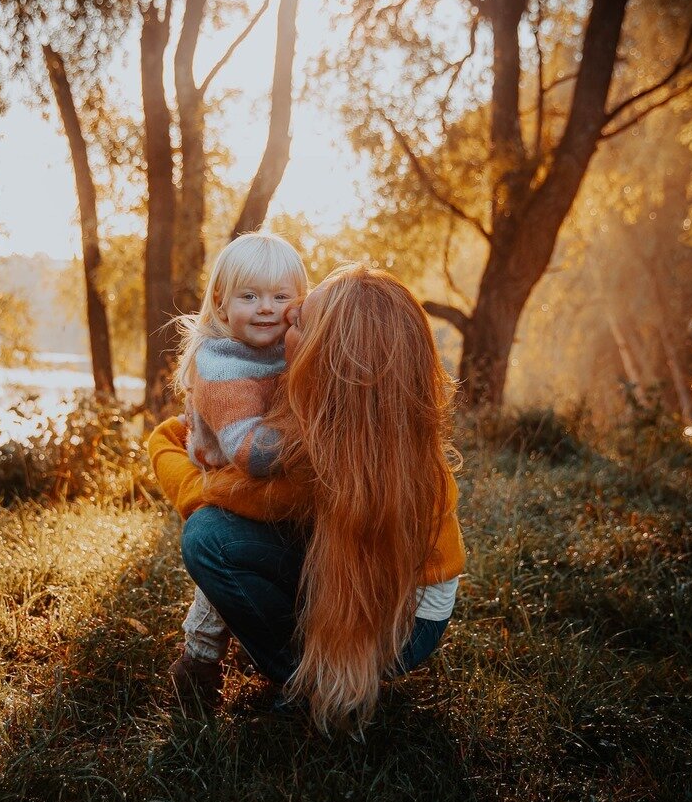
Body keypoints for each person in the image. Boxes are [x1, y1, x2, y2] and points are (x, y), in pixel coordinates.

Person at [149, 264, 465, 731]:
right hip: (419, 611)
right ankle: (328, 666)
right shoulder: (381, 415)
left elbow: (219, 496)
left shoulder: (309, 456)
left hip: (404, 631)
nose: (282, 318)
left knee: (210, 537)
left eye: (297, 321)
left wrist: (161, 443)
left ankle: (308, 680)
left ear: (327, 355)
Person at [167, 232, 308, 695]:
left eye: (280, 296)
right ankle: (199, 661)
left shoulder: (286, 345)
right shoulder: (222, 364)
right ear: (223, 305)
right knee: (220, 556)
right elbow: (254, 453)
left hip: (270, 469)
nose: (266, 307)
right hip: (231, 474)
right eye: (250, 297)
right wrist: (320, 429)